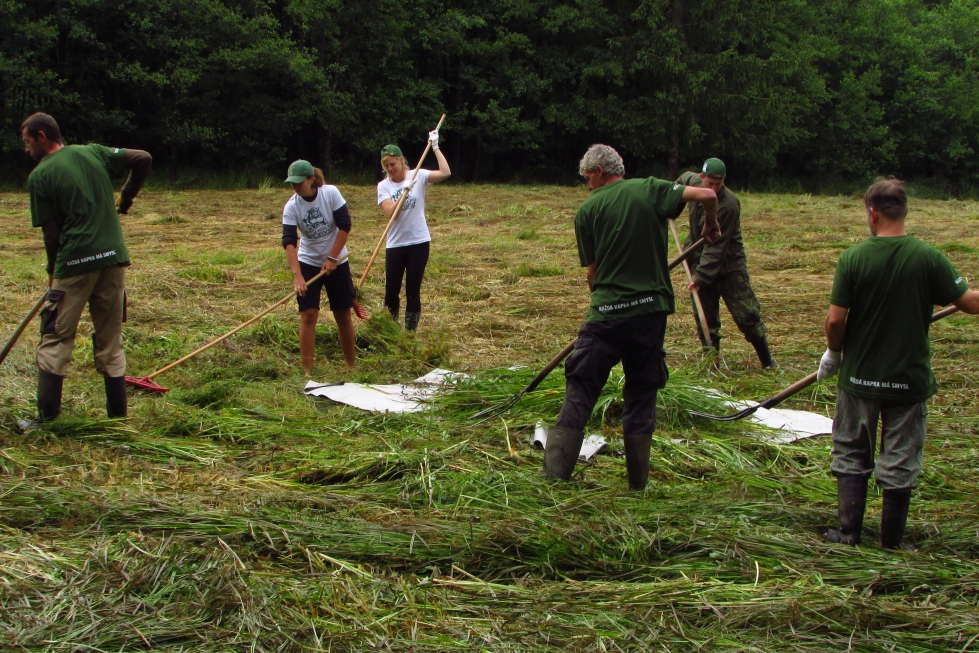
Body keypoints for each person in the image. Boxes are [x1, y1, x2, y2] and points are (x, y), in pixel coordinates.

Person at [544, 144, 720, 490]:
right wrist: (710, 227)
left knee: (581, 386)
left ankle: (552, 480)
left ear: (597, 171)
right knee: (641, 391)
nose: (587, 186)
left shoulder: (587, 210)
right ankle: (637, 485)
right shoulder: (651, 188)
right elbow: (706, 194)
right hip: (649, 314)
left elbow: (593, 277)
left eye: (586, 178)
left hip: (606, 314)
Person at [817, 178, 979, 548]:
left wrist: (834, 354)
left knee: (851, 450)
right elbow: (970, 302)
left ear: (872, 214)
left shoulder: (854, 258)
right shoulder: (928, 258)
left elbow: (835, 320)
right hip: (908, 380)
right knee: (901, 456)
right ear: (903, 212)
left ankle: (849, 531)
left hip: (860, 378)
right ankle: (892, 541)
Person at [20, 112, 151, 423]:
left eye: (27, 142)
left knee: (55, 337)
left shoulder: (39, 177)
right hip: (113, 258)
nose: (26, 149)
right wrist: (126, 197)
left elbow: (52, 235)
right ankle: (117, 419)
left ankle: (44, 419)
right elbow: (142, 159)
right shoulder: (92, 151)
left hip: (75, 263)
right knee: (110, 338)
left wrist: (54, 275)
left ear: (42, 137)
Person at [676, 158, 774, 368]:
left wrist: (700, 277)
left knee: (747, 315)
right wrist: (671, 208)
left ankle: (767, 362)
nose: (712, 188)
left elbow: (715, 247)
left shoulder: (728, 205)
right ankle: (712, 364)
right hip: (697, 258)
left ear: (724, 182)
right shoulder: (692, 181)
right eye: (709, 183)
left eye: (717, 185)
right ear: (701, 178)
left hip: (729, 266)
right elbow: (678, 185)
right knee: (705, 318)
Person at [282, 160, 356, 375]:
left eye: (299, 182)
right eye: (292, 183)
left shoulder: (330, 193)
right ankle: (307, 371)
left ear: (311, 179)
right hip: (308, 262)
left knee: (342, 313)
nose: (295, 187)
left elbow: (345, 224)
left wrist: (333, 257)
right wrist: (297, 276)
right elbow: (289, 241)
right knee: (308, 314)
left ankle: (351, 367)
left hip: (338, 261)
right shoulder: (292, 206)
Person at [376, 129, 451, 331]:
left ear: (401, 161)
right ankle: (390, 330)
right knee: (391, 290)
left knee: (412, 290)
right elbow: (391, 213)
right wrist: (404, 192)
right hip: (395, 244)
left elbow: (445, 172)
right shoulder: (383, 186)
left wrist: (435, 147)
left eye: (392, 164)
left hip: (418, 242)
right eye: (386, 166)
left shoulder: (418, 175)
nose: (390, 169)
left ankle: (410, 333)